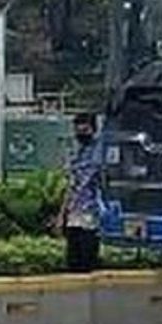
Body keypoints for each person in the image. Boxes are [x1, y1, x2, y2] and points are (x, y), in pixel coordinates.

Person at [57, 112, 103, 272]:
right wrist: (61, 215)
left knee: (87, 261)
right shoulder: (78, 153)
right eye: (78, 130)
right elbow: (71, 186)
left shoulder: (100, 151)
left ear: (93, 129)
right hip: (74, 215)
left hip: (92, 215)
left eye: (85, 129)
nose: (80, 133)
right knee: (73, 261)